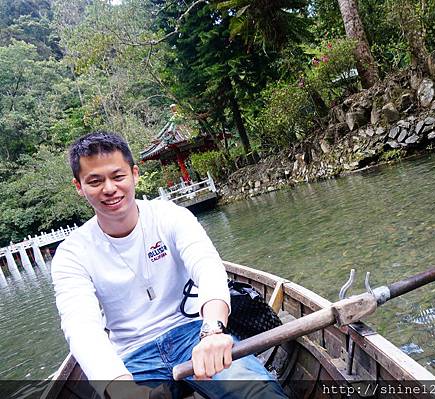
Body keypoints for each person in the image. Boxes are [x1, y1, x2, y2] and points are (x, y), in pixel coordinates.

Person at [51, 131, 287, 399]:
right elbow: (81, 326)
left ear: (134, 174)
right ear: (79, 186)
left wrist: (212, 330)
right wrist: (118, 385)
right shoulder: (72, 254)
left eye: (118, 177)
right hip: (133, 358)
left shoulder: (170, 216)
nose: (109, 188)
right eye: (95, 181)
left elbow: (207, 268)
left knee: (257, 393)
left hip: (194, 335)